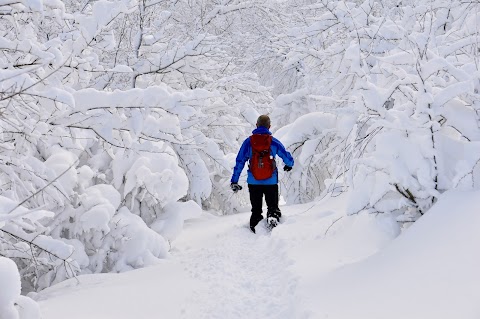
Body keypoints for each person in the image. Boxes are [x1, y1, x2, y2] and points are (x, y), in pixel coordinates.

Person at [230, 115, 294, 233]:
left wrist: (234, 180)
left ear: (256, 125)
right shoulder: (273, 142)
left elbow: (239, 161)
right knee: (273, 206)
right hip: (271, 181)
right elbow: (286, 156)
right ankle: (273, 217)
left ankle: (255, 224)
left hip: (253, 181)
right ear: (269, 127)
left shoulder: (248, 142)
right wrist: (289, 164)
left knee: (256, 209)